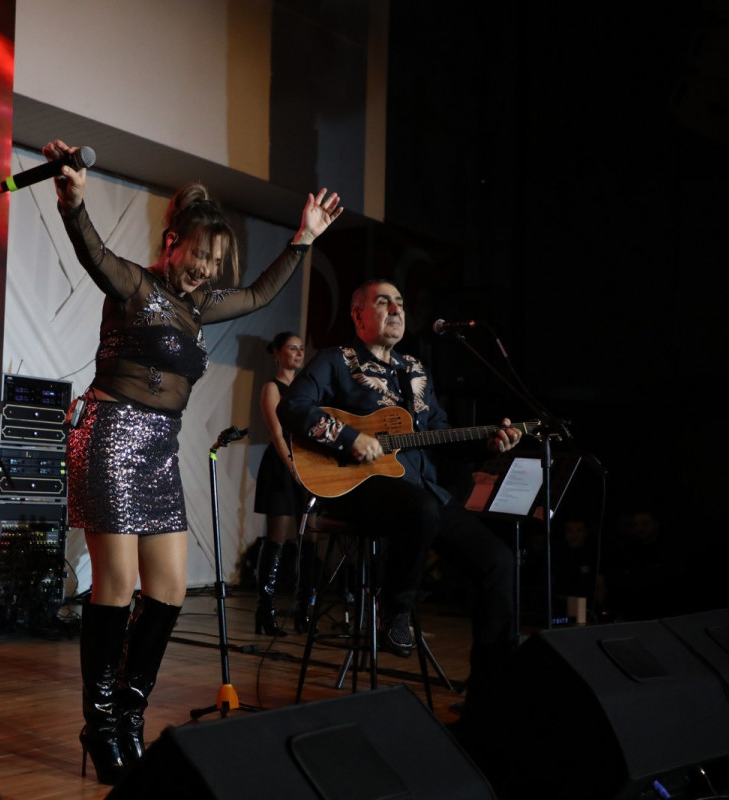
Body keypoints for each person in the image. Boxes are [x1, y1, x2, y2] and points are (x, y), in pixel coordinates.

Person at [44, 138, 342, 785]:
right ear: (172, 242)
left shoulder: (202, 306)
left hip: (159, 447)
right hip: (110, 435)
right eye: (199, 255)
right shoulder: (134, 283)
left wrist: (304, 238)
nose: (205, 269)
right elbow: (93, 254)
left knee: (171, 590)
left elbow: (258, 294)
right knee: (116, 585)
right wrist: (74, 204)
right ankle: (100, 721)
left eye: (215, 261)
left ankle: (129, 714)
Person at [279, 278, 522, 717]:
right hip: (355, 488)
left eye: (401, 303)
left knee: (499, 561)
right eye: (383, 302)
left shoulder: (415, 369)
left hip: (421, 491)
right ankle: (396, 611)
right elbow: (292, 407)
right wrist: (350, 438)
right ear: (358, 315)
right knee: (420, 509)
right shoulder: (337, 360)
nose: (396, 309)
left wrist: (486, 443)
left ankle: (489, 697)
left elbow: (440, 435)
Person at [252, 331, 311, 636]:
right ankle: (266, 610)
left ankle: (305, 610)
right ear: (277, 352)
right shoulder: (271, 388)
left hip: (307, 465)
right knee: (277, 537)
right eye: (292, 348)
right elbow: (277, 435)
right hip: (281, 465)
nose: (298, 353)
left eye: (301, 349)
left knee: (309, 537)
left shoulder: (306, 389)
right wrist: (294, 470)